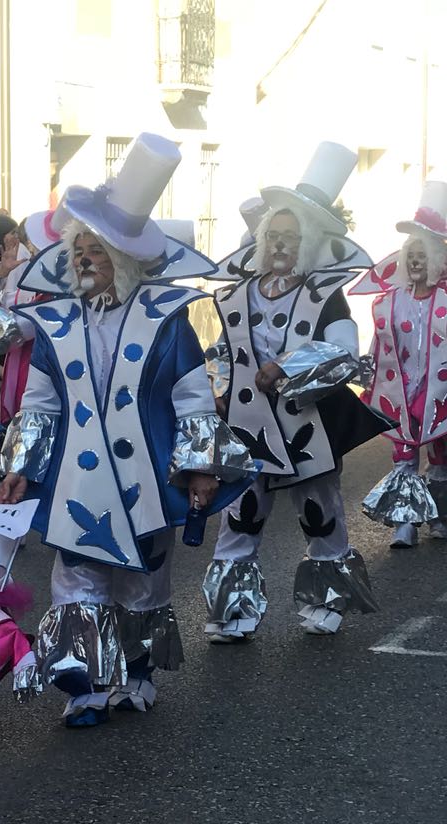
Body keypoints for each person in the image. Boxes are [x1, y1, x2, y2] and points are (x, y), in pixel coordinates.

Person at [0, 133, 254, 725]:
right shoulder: (54, 323)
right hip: (77, 482)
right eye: (78, 248)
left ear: (126, 259)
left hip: (148, 477)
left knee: (143, 582)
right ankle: (84, 687)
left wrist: (200, 467)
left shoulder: (167, 320)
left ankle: (136, 672)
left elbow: (192, 398)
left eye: (97, 249)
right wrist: (19, 466)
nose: (84, 259)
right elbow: (39, 404)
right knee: (76, 580)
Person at [202, 143, 389, 640]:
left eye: (291, 236)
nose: (281, 244)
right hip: (248, 425)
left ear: (307, 243)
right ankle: (232, 610)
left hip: (306, 426)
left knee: (319, 514)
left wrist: (286, 367)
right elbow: (221, 349)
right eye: (274, 235)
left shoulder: (325, 295)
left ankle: (327, 600)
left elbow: (344, 352)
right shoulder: (238, 294)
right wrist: (217, 387)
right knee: (241, 515)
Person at [357, 180, 447, 545]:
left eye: (422, 255)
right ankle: (404, 523)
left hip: (439, 386)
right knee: (403, 453)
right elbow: (379, 342)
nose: (415, 261)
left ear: (436, 260)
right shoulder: (391, 301)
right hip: (401, 385)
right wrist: (368, 373)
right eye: (411, 254)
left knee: (440, 452)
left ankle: (439, 515)